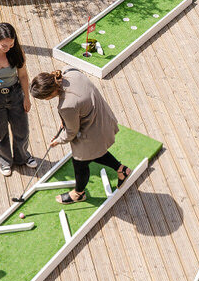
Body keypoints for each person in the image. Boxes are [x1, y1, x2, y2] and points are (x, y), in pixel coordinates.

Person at [29, 69, 130, 204]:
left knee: (80, 162)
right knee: (94, 153)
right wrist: (66, 120)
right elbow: (79, 107)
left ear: (49, 94)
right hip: (103, 118)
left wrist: (58, 141)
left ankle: (79, 194)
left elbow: (72, 132)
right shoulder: (71, 73)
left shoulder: (66, 106)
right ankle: (122, 169)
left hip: (93, 131)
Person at [0, 23, 36, 176]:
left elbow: (23, 75)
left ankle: (22, 157)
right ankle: (5, 161)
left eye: (11, 44)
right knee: (0, 132)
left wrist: (26, 98)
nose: (8, 48)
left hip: (15, 93)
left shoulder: (16, 53)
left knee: (22, 130)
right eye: (4, 45)